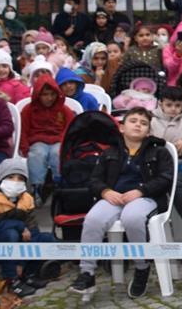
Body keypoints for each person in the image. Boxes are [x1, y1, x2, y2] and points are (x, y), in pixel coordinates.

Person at [69, 108, 174, 299]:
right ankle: (87, 273)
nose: (138, 125)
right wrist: (105, 191)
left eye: (143, 123)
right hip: (114, 197)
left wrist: (141, 190)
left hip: (144, 197)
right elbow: (94, 180)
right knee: (93, 219)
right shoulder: (110, 152)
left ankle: (142, 267)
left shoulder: (158, 151)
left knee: (132, 218)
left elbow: (165, 179)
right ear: (121, 127)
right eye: (133, 121)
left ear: (149, 131)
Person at [0, 157, 55, 296]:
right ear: (1, 178)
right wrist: (18, 225)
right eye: (11, 177)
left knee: (46, 239)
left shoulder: (26, 199)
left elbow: (32, 231)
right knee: (10, 233)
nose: (15, 182)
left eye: (20, 178)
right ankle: (12, 280)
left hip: (15, 248)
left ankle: (29, 275)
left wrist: (21, 262)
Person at [21, 74, 75, 191]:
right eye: (45, 94)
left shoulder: (64, 109)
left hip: (59, 140)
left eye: (52, 94)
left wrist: (66, 143)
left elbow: (71, 128)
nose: (49, 98)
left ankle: (60, 183)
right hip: (37, 141)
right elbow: (23, 130)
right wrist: (24, 148)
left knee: (57, 153)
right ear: (37, 95)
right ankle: (37, 187)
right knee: (37, 154)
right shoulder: (28, 110)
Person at [150, 85, 182, 194]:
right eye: (169, 105)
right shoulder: (152, 120)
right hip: (158, 163)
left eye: (177, 105)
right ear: (161, 104)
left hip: (181, 161)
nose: (173, 109)